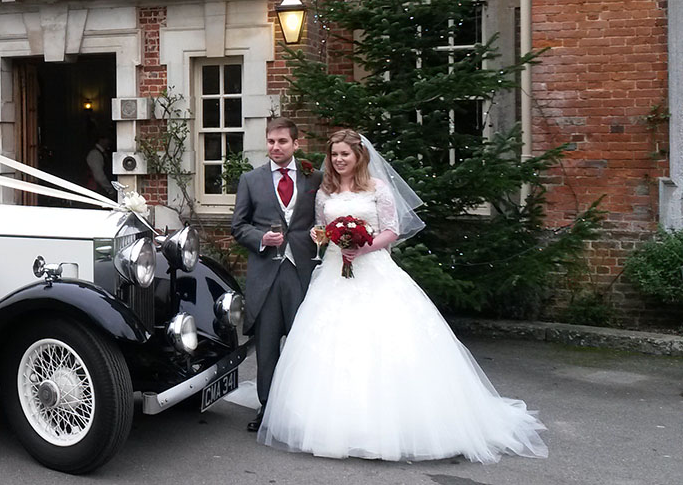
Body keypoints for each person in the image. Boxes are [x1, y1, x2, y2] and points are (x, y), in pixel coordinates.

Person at [257, 129, 548, 463]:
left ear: (359, 157)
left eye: (345, 155)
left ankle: (396, 426)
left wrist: (363, 246)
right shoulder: (325, 192)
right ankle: (330, 424)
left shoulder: (377, 189)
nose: (338, 160)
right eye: (334, 155)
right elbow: (320, 228)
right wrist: (324, 237)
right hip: (335, 274)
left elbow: (392, 231)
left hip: (374, 269)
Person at [230, 117, 322, 432]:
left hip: (301, 272)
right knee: (267, 347)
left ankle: (300, 410)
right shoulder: (250, 180)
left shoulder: (314, 178)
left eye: (282, 141)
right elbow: (238, 226)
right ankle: (267, 410)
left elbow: (324, 217)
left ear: (296, 144)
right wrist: (260, 238)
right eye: (271, 141)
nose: (275, 147)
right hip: (266, 273)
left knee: (302, 345)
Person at [84, 134, 118, 200]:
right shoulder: (95, 154)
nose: (110, 142)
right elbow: (99, 176)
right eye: (108, 139)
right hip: (98, 191)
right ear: (101, 140)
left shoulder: (102, 153)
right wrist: (110, 190)